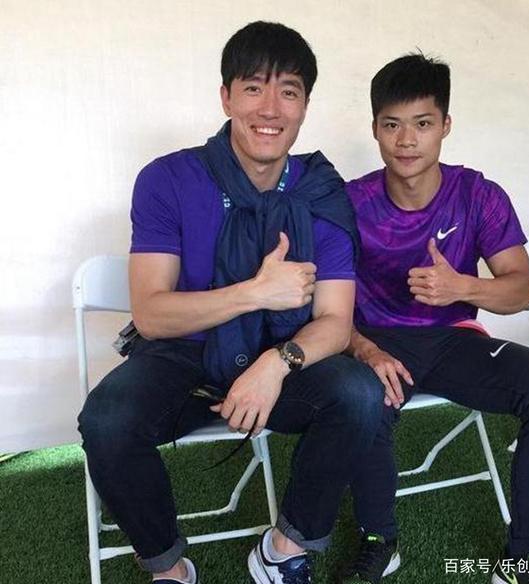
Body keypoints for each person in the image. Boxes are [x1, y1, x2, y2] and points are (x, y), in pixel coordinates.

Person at [78, 21, 383, 584]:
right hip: (184, 355)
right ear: (226, 97)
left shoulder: (320, 193)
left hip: (277, 354)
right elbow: (151, 314)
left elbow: (335, 323)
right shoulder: (168, 179)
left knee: (358, 394)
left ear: (305, 105)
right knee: (107, 419)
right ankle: (169, 568)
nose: (270, 108)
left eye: (288, 91)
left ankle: (284, 549)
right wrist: (256, 293)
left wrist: (276, 364)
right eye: (253, 88)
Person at [342, 54, 529, 584]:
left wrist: (462, 287)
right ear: (375, 128)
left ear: (445, 125)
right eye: (392, 124)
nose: (407, 140)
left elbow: (523, 290)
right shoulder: (350, 202)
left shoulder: (478, 195)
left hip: (453, 340)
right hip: (375, 341)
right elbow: (324, 300)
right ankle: (379, 539)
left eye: (423, 123)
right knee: (363, 399)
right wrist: (362, 348)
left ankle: (524, 558)